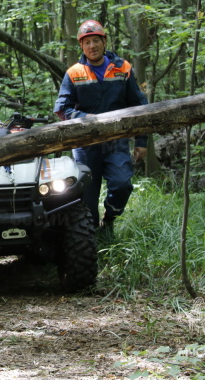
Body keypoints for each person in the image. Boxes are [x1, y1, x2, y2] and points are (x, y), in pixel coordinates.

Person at [53, 19, 148, 244]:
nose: (92, 46)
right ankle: (92, 238)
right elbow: (61, 108)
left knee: (123, 184)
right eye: (87, 42)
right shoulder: (74, 73)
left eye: (96, 40)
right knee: (87, 195)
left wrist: (142, 140)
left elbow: (140, 106)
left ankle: (110, 220)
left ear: (104, 42)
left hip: (116, 141)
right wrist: (85, 119)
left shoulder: (122, 68)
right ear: (81, 47)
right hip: (85, 144)